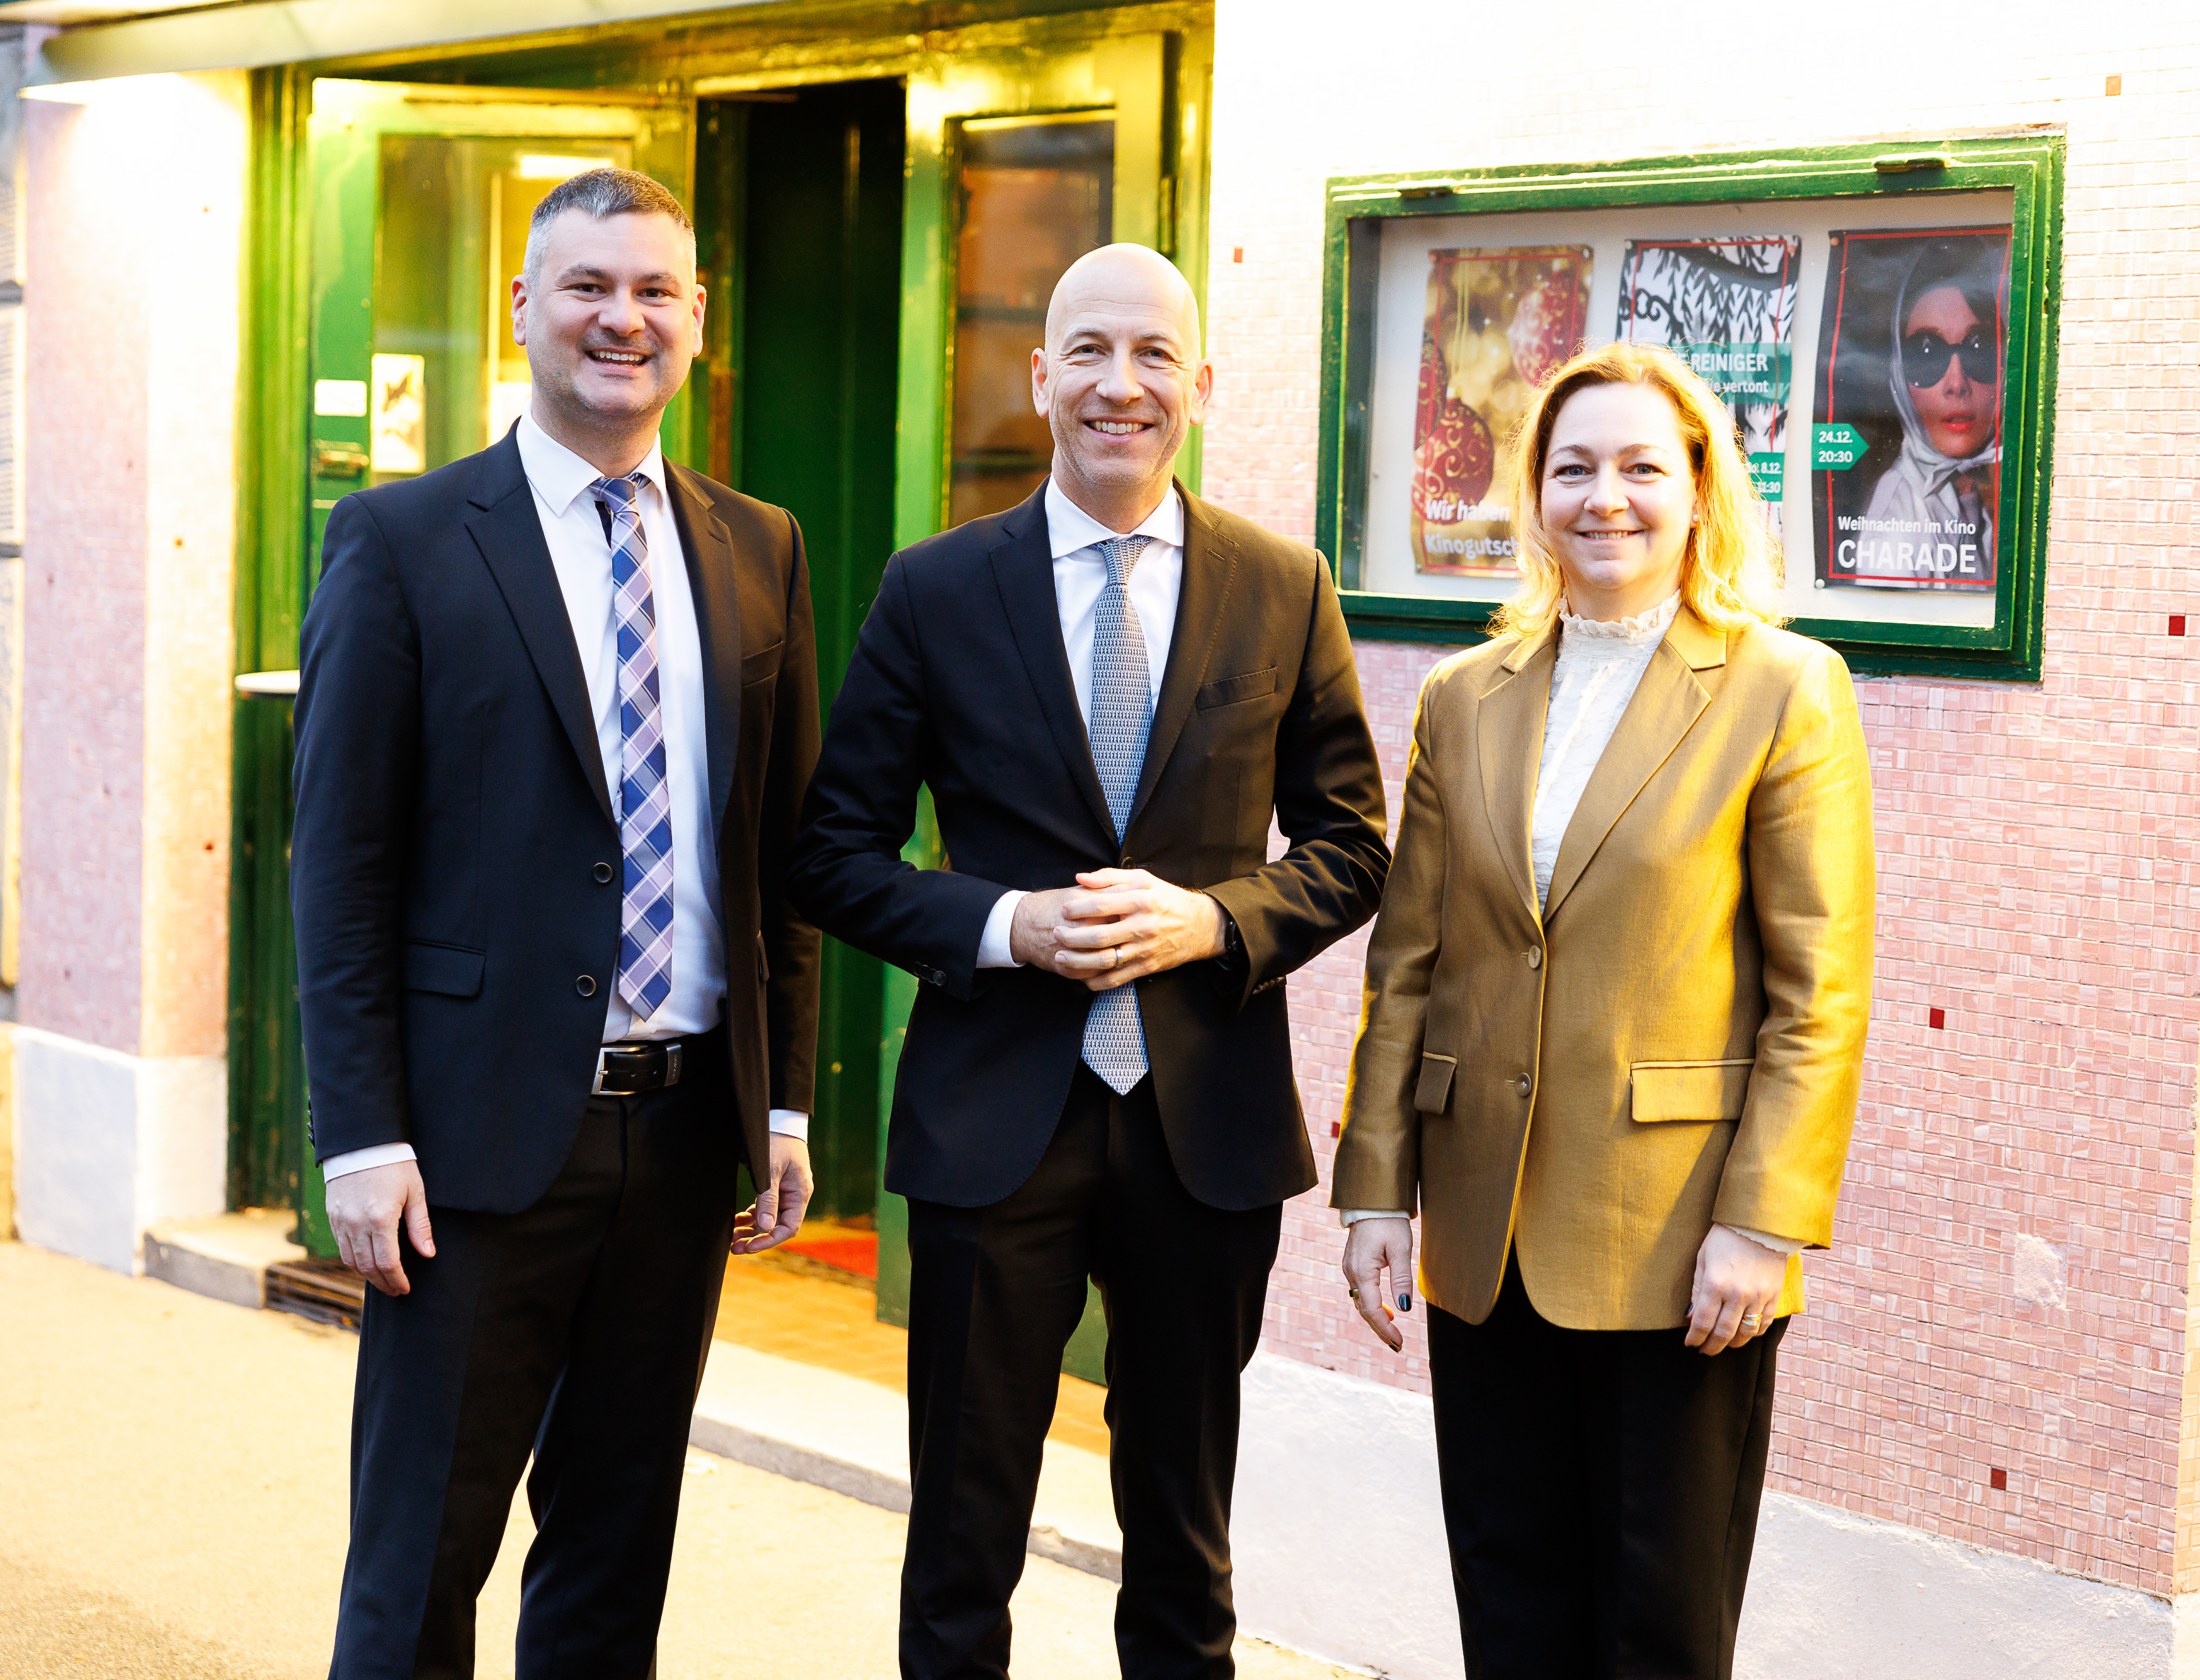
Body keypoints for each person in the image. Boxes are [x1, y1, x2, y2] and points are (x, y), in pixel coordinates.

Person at [788, 243, 1390, 1679]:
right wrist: (999, 924)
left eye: (1151, 355)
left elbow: (1355, 846)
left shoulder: (1282, 584)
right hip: (992, 1125)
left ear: (1198, 382)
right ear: (1038, 375)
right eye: (1088, 352)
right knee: (961, 1543)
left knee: (1183, 1546)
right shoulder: (934, 590)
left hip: (1206, 1136)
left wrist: (1215, 921)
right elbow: (831, 855)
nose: (1120, 384)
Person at [293, 167, 822, 1680]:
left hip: (678, 1144)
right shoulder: (400, 540)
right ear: (520, 307)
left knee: (612, 1555)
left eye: (654, 290)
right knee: (418, 1567)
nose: (622, 318)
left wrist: (778, 1097)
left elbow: (772, 858)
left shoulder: (757, 544)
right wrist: (360, 1134)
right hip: (466, 1149)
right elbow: (340, 864)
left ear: (697, 321)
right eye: (587, 285)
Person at [1335, 341, 1875, 1678]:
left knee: (1656, 1625)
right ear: (1532, 494)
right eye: (1571, 467)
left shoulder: (1780, 687)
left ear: (1698, 487)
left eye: (1641, 465)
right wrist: (1371, 1192)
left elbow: (1819, 989)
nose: (1604, 497)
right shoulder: (1463, 698)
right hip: (1483, 1232)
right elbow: (1408, 961)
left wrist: (1763, 1220)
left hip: (1680, 1240)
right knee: (1509, 1609)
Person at [1855, 236, 2004, 587]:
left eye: (1978, 348)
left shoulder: (1997, 491)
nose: (1957, 383)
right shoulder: (1897, 512)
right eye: (1927, 353)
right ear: (1899, 376)